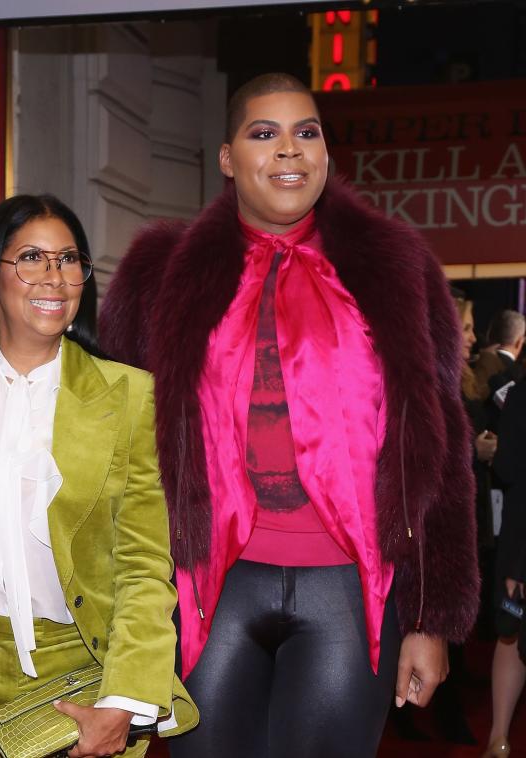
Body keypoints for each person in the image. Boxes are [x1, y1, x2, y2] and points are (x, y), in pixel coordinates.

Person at [100, 73, 479, 757]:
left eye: (307, 133)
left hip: (349, 589)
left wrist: (430, 619)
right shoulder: (158, 275)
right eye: (263, 133)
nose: (289, 151)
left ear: (327, 155)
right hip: (208, 592)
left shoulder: (394, 269)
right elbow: (118, 458)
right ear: (227, 158)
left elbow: (441, 451)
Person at [0, 195, 197, 758]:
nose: (54, 276)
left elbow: (144, 566)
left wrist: (124, 700)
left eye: (69, 260)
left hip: (80, 682)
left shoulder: (129, 396)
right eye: (32, 258)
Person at [484, 376, 526, 758]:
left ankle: (499, 736)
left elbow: (508, 468)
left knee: (511, 635)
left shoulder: (520, 391)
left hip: (520, 537)